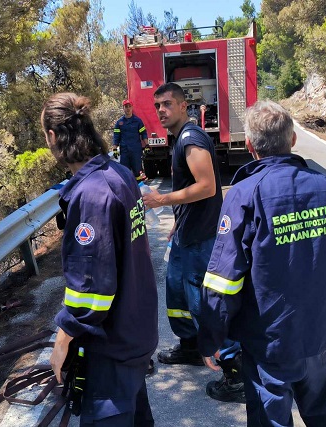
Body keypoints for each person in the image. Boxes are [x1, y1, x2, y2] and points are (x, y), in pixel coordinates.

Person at [197, 100, 326, 426]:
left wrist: (211, 339)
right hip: (320, 332)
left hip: (270, 343)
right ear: (293, 140)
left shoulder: (244, 194)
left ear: (249, 145)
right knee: (324, 412)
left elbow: (222, 281)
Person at [44, 92, 158, 426]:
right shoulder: (119, 173)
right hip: (135, 331)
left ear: (53, 137)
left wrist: (63, 339)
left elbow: (91, 286)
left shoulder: (92, 195)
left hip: (111, 349)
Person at [142, 82, 244, 403]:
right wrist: (176, 221)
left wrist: (162, 200)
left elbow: (207, 186)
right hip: (187, 232)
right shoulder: (180, 140)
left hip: (202, 238)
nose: (161, 110)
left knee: (203, 303)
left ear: (183, 106)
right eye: (158, 105)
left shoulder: (190, 138)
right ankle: (190, 346)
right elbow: (192, 190)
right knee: (176, 292)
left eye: (168, 104)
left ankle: (235, 370)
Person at [113, 99, 149, 181]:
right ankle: (128, 192)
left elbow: (143, 133)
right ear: (123, 108)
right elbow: (116, 136)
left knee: (138, 173)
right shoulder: (119, 123)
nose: (128, 108)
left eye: (129, 106)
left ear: (132, 107)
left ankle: (139, 191)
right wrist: (115, 149)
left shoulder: (138, 121)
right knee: (125, 172)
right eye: (126, 107)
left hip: (136, 151)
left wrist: (147, 145)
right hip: (124, 151)